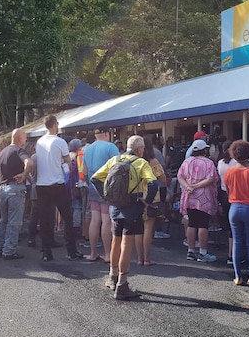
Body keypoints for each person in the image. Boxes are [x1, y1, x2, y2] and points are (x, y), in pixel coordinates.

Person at [91, 135, 159, 300]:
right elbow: (153, 183)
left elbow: (95, 178)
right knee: (126, 245)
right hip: (133, 207)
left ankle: (112, 277)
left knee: (116, 241)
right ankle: (122, 284)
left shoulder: (115, 159)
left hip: (116, 207)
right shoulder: (141, 163)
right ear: (140, 149)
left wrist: (108, 197)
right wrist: (146, 202)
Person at [35, 115, 82, 262]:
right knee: (67, 217)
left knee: (44, 218)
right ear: (55, 125)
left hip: (41, 183)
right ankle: (71, 251)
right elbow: (68, 161)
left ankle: (46, 252)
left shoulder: (39, 141)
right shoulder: (60, 141)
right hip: (56, 182)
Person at [225, 140, 249, 287]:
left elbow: (228, 191)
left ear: (234, 155)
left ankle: (237, 276)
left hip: (234, 208)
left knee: (237, 242)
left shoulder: (229, 172)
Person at [178, 138, 220, 263]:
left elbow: (180, 176)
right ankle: (202, 252)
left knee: (192, 223)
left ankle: (190, 251)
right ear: (204, 150)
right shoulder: (209, 163)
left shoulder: (187, 162)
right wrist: (197, 186)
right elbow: (211, 179)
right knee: (203, 224)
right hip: (204, 197)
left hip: (189, 195)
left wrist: (188, 186)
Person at [0, 129, 33, 260]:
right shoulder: (19, 150)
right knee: (14, 222)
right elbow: (29, 163)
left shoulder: (3, 152)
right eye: (25, 137)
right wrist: (25, 175)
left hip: (3, 188)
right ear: (20, 138)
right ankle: (9, 250)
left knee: (3, 220)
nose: (26, 140)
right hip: (15, 188)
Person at [82, 128, 119, 262]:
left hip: (92, 185)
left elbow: (84, 171)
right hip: (106, 186)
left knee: (94, 219)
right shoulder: (111, 147)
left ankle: (93, 253)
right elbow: (118, 167)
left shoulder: (87, 150)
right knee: (106, 220)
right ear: (106, 134)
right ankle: (108, 254)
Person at [134, 137, 168, 266]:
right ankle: (147, 259)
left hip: (137, 196)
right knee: (148, 228)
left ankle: (139, 258)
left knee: (138, 229)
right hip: (152, 197)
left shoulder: (135, 161)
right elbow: (163, 179)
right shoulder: (153, 162)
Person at [216, 140, 234, 265]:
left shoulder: (220, 163)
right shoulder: (236, 163)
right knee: (236, 226)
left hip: (223, 194)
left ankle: (230, 253)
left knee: (229, 224)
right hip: (235, 194)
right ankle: (233, 254)